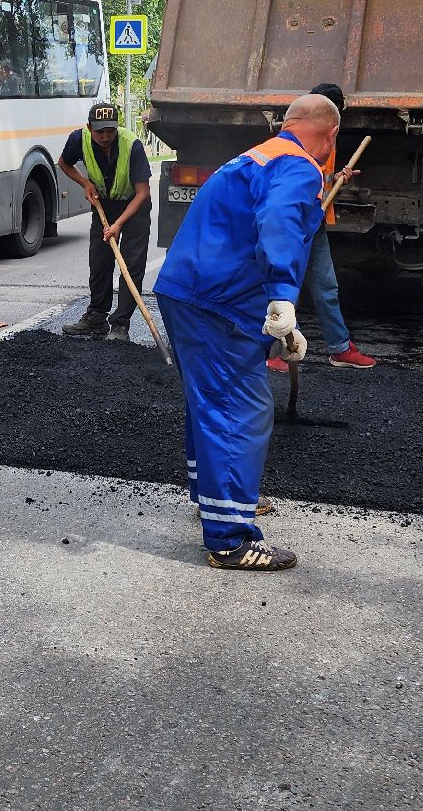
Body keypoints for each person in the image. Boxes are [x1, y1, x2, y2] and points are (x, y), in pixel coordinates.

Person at [153, 94, 339, 571]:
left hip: (190, 292)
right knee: (242, 410)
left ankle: (215, 499)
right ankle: (231, 538)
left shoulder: (258, 155)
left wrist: (276, 325)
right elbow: (277, 221)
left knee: (210, 403)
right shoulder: (300, 166)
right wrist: (282, 298)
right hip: (216, 303)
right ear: (331, 136)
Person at [268, 82, 376, 376]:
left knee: (326, 286)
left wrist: (339, 177)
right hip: (295, 223)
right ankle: (279, 350)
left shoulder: (328, 135)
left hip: (314, 221)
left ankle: (340, 348)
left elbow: (320, 177)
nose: (335, 124)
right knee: (285, 286)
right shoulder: (298, 138)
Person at [59, 102, 152, 342]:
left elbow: (143, 191)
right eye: (100, 131)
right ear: (90, 127)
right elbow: (64, 163)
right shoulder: (78, 139)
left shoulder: (132, 145)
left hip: (134, 207)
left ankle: (120, 325)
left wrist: (119, 223)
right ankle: (97, 318)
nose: (105, 136)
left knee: (131, 266)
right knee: (99, 261)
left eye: (110, 130)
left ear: (116, 127)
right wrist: (85, 183)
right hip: (104, 204)